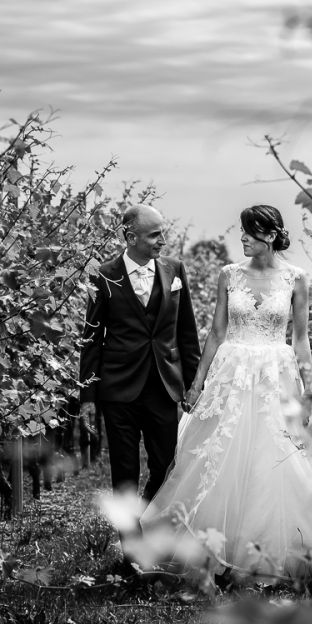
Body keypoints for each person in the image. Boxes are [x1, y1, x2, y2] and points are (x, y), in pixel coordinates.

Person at [140, 204, 312, 580]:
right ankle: (214, 549)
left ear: (270, 236)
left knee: (275, 459)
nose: (241, 238)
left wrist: (309, 393)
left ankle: (272, 553)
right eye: (241, 231)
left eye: (249, 233)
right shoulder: (229, 275)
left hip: (277, 373)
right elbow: (217, 333)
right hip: (232, 373)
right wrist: (198, 381)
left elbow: (301, 340)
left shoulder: (296, 278)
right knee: (219, 458)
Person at [78, 204, 203, 509]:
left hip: (163, 385)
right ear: (130, 237)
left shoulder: (175, 269)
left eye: (164, 233)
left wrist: (195, 384)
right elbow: (92, 338)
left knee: (164, 466)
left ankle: (142, 517)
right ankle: (131, 549)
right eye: (155, 235)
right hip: (118, 387)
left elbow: (186, 332)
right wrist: (88, 397)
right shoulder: (103, 275)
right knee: (124, 472)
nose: (163, 241)